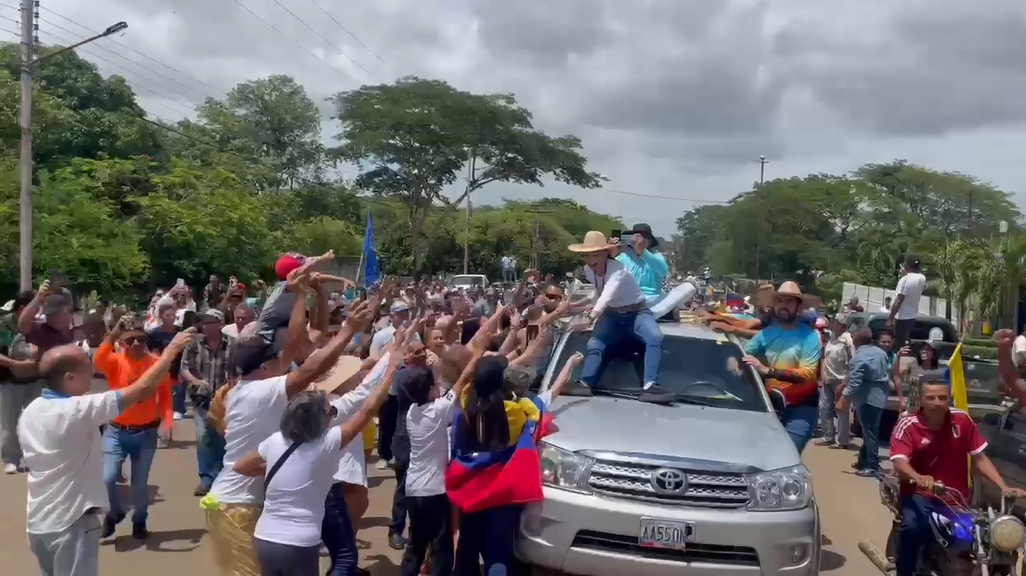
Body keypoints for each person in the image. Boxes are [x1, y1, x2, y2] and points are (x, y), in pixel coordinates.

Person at [202, 283, 375, 576]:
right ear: (265, 366)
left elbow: (295, 347)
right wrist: (348, 330)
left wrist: (300, 294)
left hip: (246, 503)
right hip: (236, 507)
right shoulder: (259, 392)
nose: (284, 361)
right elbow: (310, 369)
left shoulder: (254, 387)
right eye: (275, 358)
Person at [18, 329, 193, 576]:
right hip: (73, 523)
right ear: (69, 377)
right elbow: (142, 389)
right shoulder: (76, 410)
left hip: (39, 523)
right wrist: (171, 350)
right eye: (86, 369)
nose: (93, 373)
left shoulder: (32, 409)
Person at [231, 346, 402, 576]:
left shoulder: (275, 441)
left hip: (265, 538)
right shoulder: (328, 441)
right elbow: (368, 408)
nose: (332, 415)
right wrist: (391, 369)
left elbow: (240, 466)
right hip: (300, 542)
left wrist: (272, 469)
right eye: (329, 413)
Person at [889, 376, 1026, 576]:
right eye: (931, 397)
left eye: (942, 397)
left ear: (950, 397)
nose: (937, 402)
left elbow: (979, 459)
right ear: (921, 399)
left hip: (956, 500)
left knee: (981, 538)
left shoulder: (962, 420)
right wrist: (919, 477)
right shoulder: (908, 425)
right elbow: (900, 462)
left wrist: (1003, 487)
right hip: (919, 496)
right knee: (912, 528)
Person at [565, 231, 670, 402]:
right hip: (612, 314)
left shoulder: (618, 269)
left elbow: (607, 293)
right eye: (586, 256)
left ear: (606, 254)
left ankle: (650, 385)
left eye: (596, 255)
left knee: (655, 337)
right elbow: (601, 295)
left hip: (636, 312)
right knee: (595, 343)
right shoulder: (588, 270)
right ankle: (584, 383)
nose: (591, 260)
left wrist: (589, 318)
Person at [743, 282, 823, 453]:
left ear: (798, 306)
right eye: (779, 301)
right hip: (770, 406)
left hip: (801, 408)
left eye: (789, 301)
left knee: (788, 455)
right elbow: (744, 355)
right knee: (765, 456)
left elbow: (807, 374)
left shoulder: (810, 338)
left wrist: (767, 370)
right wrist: (734, 362)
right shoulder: (765, 334)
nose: (783, 305)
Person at [180, 309, 232, 496]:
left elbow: (236, 369)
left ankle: (221, 476)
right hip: (200, 398)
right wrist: (195, 381)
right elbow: (184, 368)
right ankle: (206, 478)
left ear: (220, 324)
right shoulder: (194, 344)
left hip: (224, 400)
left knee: (221, 437)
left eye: (212, 322)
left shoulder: (230, 345)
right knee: (203, 436)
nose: (208, 326)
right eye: (205, 323)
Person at [836, 328, 891, 476]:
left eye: (853, 335)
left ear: (857, 339)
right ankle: (863, 459)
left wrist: (843, 399)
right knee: (869, 431)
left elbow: (854, 383)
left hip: (867, 399)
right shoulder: (880, 353)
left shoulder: (859, 357)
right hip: (879, 397)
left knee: (870, 432)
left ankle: (871, 465)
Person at [613, 223, 696, 319]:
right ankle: (655, 314)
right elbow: (608, 273)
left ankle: (651, 314)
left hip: (654, 300)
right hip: (631, 301)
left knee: (689, 287)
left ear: (650, 240)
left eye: (644, 237)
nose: (640, 241)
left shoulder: (656, 256)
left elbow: (663, 270)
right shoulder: (624, 257)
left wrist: (643, 252)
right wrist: (610, 252)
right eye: (637, 237)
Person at [816, 314, 854, 448]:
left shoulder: (848, 340)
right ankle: (828, 435)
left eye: (835, 321)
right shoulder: (831, 337)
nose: (832, 323)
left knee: (842, 410)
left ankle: (843, 440)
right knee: (824, 407)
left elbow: (851, 363)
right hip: (827, 379)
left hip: (840, 380)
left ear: (841, 325)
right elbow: (823, 357)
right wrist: (821, 376)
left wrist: (845, 382)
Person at [886, 255, 926, 349]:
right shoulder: (922, 278)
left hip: (901, 317)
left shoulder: (905, 280)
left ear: (906, 266)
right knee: (905, 343)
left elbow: (899, 301)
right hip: (911, 316)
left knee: (897, 345)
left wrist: (890, 319)